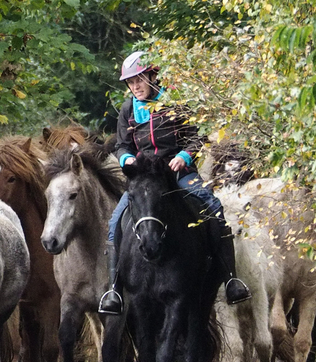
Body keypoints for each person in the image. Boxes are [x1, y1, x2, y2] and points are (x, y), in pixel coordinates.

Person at [98, 51, 251, 315]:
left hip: (178, 172)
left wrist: (183, 156)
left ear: (153, 76)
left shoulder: (176, 102)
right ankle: (113, 290)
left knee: (213, 206)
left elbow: (197, 136)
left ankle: (230, 279)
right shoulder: (127, 110)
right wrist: (126, 160)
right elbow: (122, 144)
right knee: (114, 222)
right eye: (131, 82)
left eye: (139, 80)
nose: (135, 87)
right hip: (146, 177)